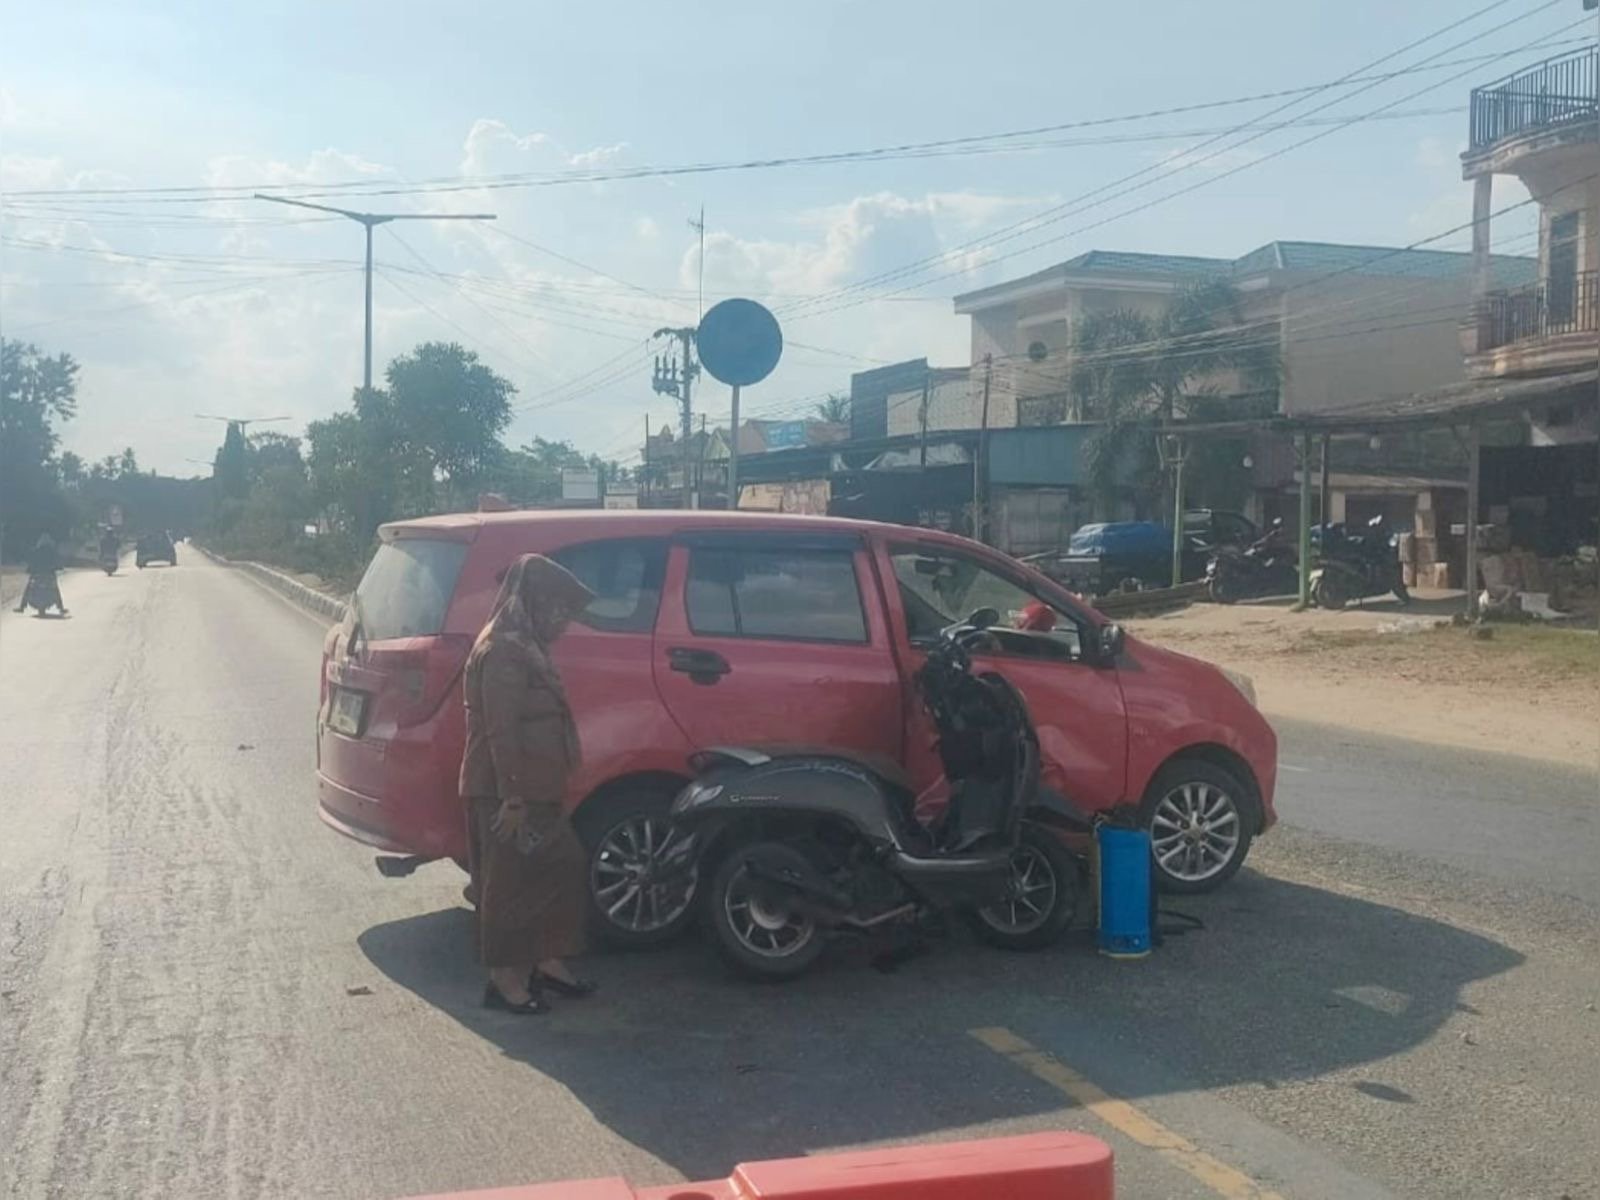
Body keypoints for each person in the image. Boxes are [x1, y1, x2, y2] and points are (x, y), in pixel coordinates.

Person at [460, 553, 596, 1015]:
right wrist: (513, 797)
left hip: (538, 789)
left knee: (560, 868)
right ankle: (503, 981)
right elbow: (501, 728)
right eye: (558, 609)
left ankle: (545, 960)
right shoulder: (502, 649)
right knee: (508, 884)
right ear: (535, 601)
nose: (564, 621)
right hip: (507, 793)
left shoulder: (526, 644)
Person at [16, 533, 67, 615]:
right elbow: (58, 563)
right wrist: (59, 567)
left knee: (28, 588)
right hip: (48, 576)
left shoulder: (36, 551)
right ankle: (61, 608)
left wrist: (29, 570)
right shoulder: (52, 552)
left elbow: (31, 563)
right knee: (55, 589)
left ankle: (22, 607)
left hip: (38, 575)